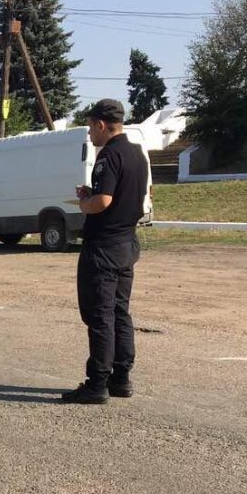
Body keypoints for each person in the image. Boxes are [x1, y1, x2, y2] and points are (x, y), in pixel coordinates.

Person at [60, 99, 149, 405]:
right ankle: (121, 379)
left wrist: (86, 202)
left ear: (101, 124)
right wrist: (94, 192)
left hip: (103, 247)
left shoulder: (108, 156)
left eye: (90, 127)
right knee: (120, 312)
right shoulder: (137, 153)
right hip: (127, 242)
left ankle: (97, 382)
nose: (89, 133)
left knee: (99, 315)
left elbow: (103, 202)